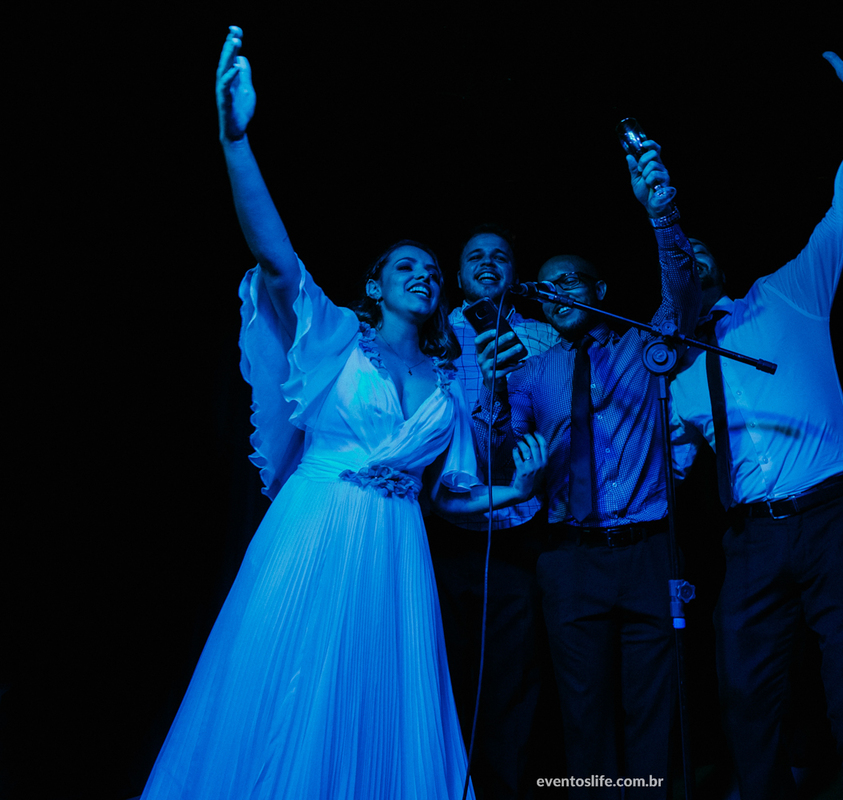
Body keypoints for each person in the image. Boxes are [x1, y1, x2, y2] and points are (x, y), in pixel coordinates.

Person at [138, 28, 547, 800]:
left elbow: (452, 497)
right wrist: (236, 141)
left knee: (378, 708)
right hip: (319, 523)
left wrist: (521, 491)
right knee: (286, 689)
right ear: (375, 285)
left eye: (432, 270)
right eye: (407, 266)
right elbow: (275, 255)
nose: (425, 275)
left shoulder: (448, 381)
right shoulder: (332, 339)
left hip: (396, 550)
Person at [670, 4, 843, 798]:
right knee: (745, 691)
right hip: (751, 538)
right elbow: (675, 467)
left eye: (697, 253)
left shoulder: (787, 294)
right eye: (673, 258)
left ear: (718, 267)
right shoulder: (675, 370)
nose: (687, 262)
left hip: (833, 512)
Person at [474, 142, 700, 798]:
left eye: (569, 278)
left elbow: (682, 294)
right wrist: (491, 396)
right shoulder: (530, 369)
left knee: (652, 706)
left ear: (600, 289)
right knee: (584, 711)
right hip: (569, 559)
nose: (555, 290)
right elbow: (503, 447)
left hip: (648, 552)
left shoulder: (642, 344)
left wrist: (662, 215)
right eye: (545, 285)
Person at [425, 224, 561, 799]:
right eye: (474, 257)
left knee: (511, 674)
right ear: (457, 277)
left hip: (517, 531)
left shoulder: (543, 337)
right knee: (443, 670)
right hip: (445, 530)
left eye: (499, 256)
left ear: (513, 272)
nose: (487, 263)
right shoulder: (435, 336)